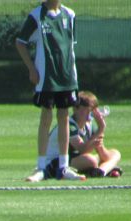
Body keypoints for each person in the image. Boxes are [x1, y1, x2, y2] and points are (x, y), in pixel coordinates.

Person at [15, 1, 84, 182]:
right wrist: (31, 68)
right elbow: (20, 43)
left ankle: (63, 166)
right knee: (46, 118)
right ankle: (41, 167)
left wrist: (73, 75)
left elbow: (71, 47)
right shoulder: (37, 15)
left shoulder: (70, 14)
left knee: (64, 118)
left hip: (67, 77)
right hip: (47, 78)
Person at [42, 90, 122, 179]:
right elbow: (83, 149)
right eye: (87, 109)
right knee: (90, 160)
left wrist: (105, 158)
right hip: (55, 162)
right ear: (75, 108)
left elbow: (104, 155)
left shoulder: (89, 126)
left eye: (92, 110)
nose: (91, 113)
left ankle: (101, 171)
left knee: (115, 153)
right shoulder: (69, 125)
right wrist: (101, 129)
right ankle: (100, 170)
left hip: (75, 160)